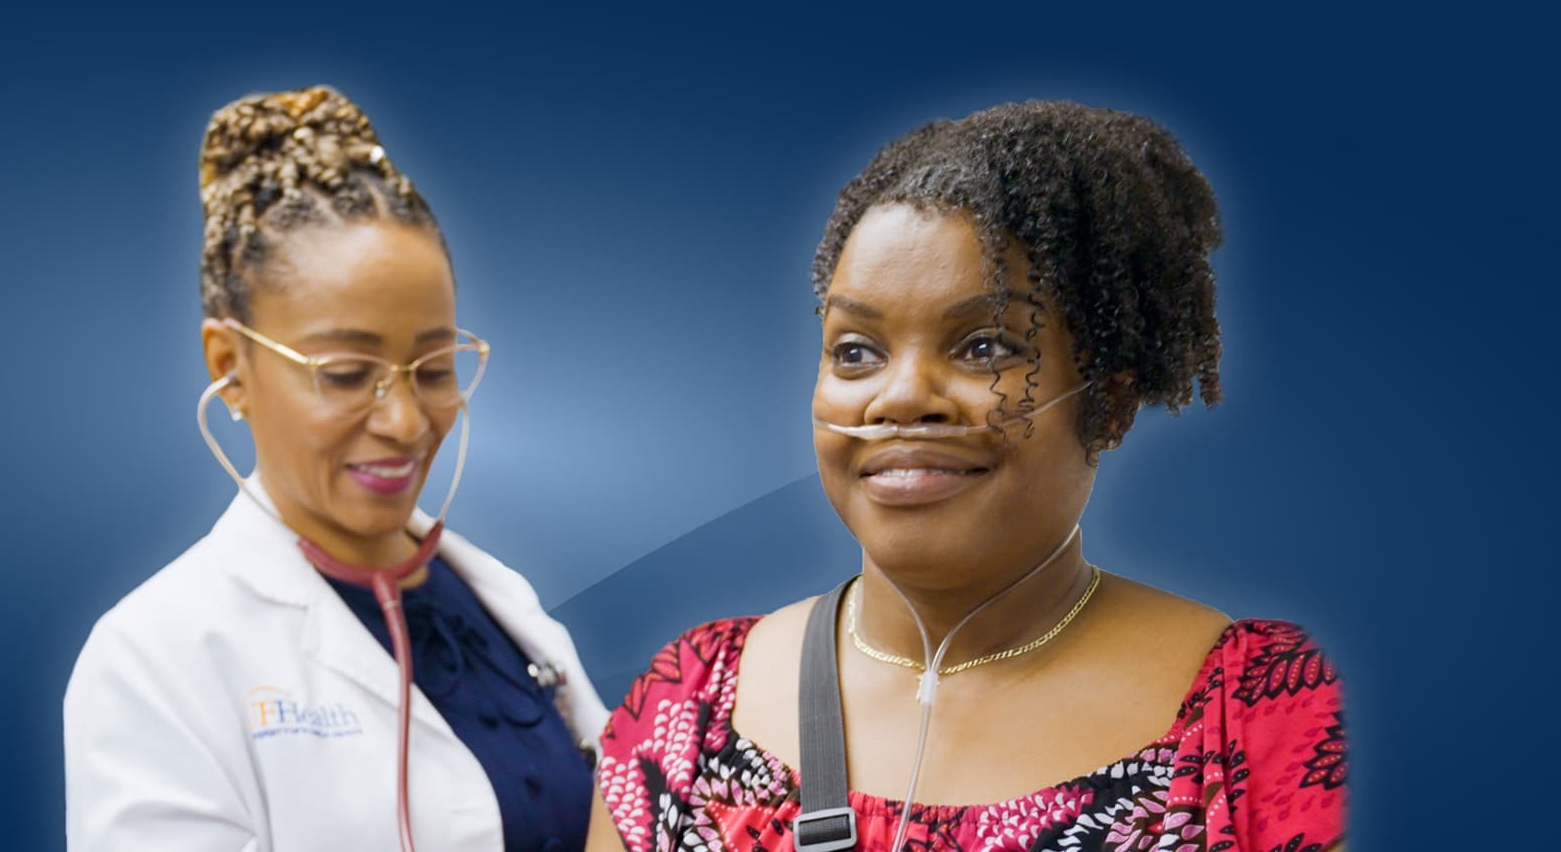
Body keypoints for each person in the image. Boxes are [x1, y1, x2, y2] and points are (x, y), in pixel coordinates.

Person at [590, 101, 1347, 851]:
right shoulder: (683, 709)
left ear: (1110, 406)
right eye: (856, 350)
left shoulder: (1260, 717)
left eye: (984, 347)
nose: (902, 397)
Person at [66, 87, 608, 852]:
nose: (405, 421)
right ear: (230, 365)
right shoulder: (156, 661)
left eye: (434, 366)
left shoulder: (504, 607)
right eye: (347, 374)